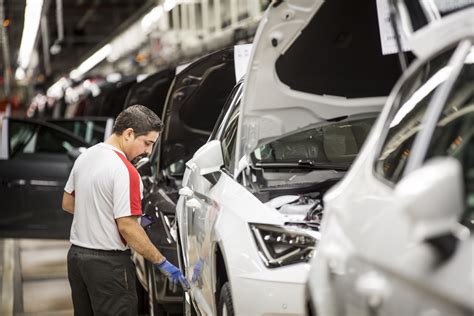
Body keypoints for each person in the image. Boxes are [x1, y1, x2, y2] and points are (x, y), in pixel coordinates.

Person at [62, 105, 189, 315]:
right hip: (108, 266)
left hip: (77, 260)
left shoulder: (86, 157)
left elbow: (67, 203)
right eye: (147, 143)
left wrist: (103, 215)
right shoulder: (125, 171)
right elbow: (128, 228)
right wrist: (163, 263)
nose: (148, 152)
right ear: (129, 133)